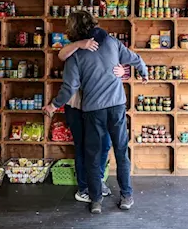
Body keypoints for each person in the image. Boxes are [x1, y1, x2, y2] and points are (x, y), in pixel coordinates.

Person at [43, 11, 148, 214]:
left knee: (92, 154)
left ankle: (96, 200)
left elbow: (69, 88)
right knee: (120, 151)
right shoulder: (112, 42)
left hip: (94, 110)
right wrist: (143, 72)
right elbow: (135, 58)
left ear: (73, 30)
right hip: (117, 105)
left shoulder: (76, 55)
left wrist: (54, 105)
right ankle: (126, 195)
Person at [57, 39, 126, 203]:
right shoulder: (74, 47)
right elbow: (61, 55)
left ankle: (98, 181)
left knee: (105, 144)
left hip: (99, 106)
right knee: (83, 147)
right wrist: (79, 44)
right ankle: (84, 188)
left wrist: (123, 71)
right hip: (76, 106)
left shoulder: (104, 45)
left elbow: (117, 63)